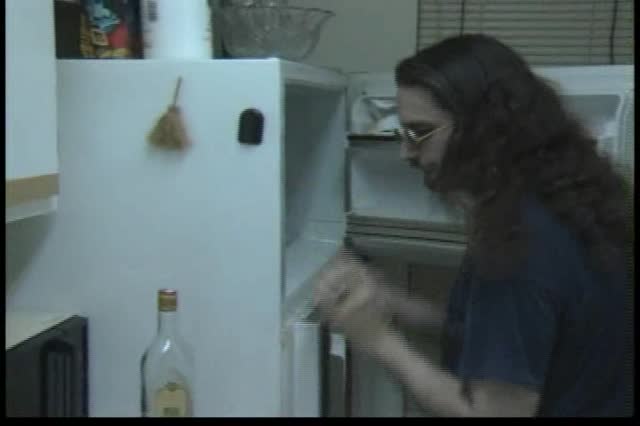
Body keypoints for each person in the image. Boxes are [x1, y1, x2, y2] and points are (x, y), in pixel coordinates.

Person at [313, 34, 632, 417]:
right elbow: (511, 337)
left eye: (419, 133)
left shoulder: (518, 244)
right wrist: (394, 303)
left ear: (483, 129)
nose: (406, 153)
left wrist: (377, 340)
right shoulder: (566, 202)